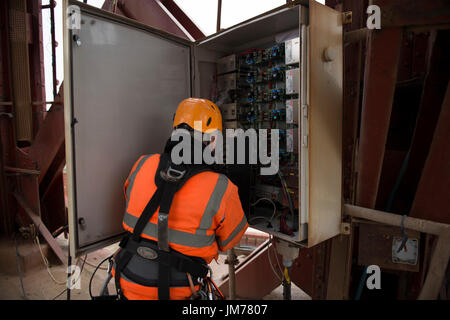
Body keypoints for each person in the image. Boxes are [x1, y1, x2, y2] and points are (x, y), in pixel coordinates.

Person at [112, 98, 248, 300]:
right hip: (178, 290)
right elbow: (229, 241)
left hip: (126, 278)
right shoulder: (221, 187)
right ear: (212, 140)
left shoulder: (142, 164)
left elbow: (132, 203)